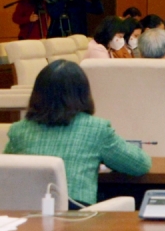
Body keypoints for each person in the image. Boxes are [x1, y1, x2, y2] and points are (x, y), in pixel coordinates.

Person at [3, 60, 151, 205]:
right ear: (83, 93)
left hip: (28, 213)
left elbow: (6, 173)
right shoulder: (96, 129)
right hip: (78, 215)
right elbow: (140, 165)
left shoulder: (19, 130)